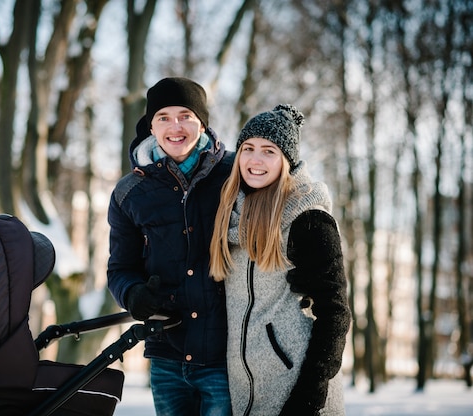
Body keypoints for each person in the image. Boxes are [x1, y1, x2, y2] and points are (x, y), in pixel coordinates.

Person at [210, 104, 351, 415]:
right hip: (246, 396)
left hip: (298, 395)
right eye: (248, 148)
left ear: (287, 161)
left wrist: (310, 395)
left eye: (269, 151)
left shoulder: (308, 219)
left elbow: (336, 314)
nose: (255, 160)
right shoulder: (228, 216)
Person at [107, 77, 234, 415]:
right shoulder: (129, 192)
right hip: (166, 354)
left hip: (225, 354)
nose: (174, 127)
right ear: (150, 125)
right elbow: (120, 269)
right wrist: (133, 293)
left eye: (185, 116)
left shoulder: (235, 175)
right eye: (163, 117)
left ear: (201, 123)